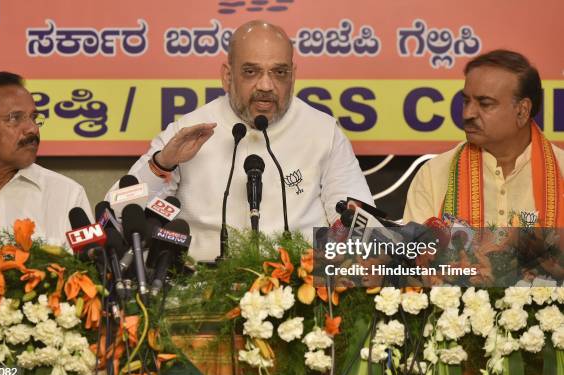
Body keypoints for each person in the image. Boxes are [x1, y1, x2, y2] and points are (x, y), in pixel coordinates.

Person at [117, 20, 373, 261]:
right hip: (200, 292)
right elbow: (119, 213)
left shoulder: (323, 131)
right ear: (227, 76)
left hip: (300, 288)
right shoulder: (187, 130)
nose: (266, 85)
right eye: (251, 72)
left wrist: (320, 268)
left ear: (293, 75)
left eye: (279, 72)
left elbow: (362, 223)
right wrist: (163, 165)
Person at [404, 49, 563, 228]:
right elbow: (413, 253)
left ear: (522, 110)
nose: (467, 113)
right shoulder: (433, 175)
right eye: (466, 101)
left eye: (485, 104)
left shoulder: (561, 169)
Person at [0, 71, 92, 245]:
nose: (32, 128)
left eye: (33, 118)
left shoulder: (68, 196)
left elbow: (88, 270)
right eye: (15, 118)